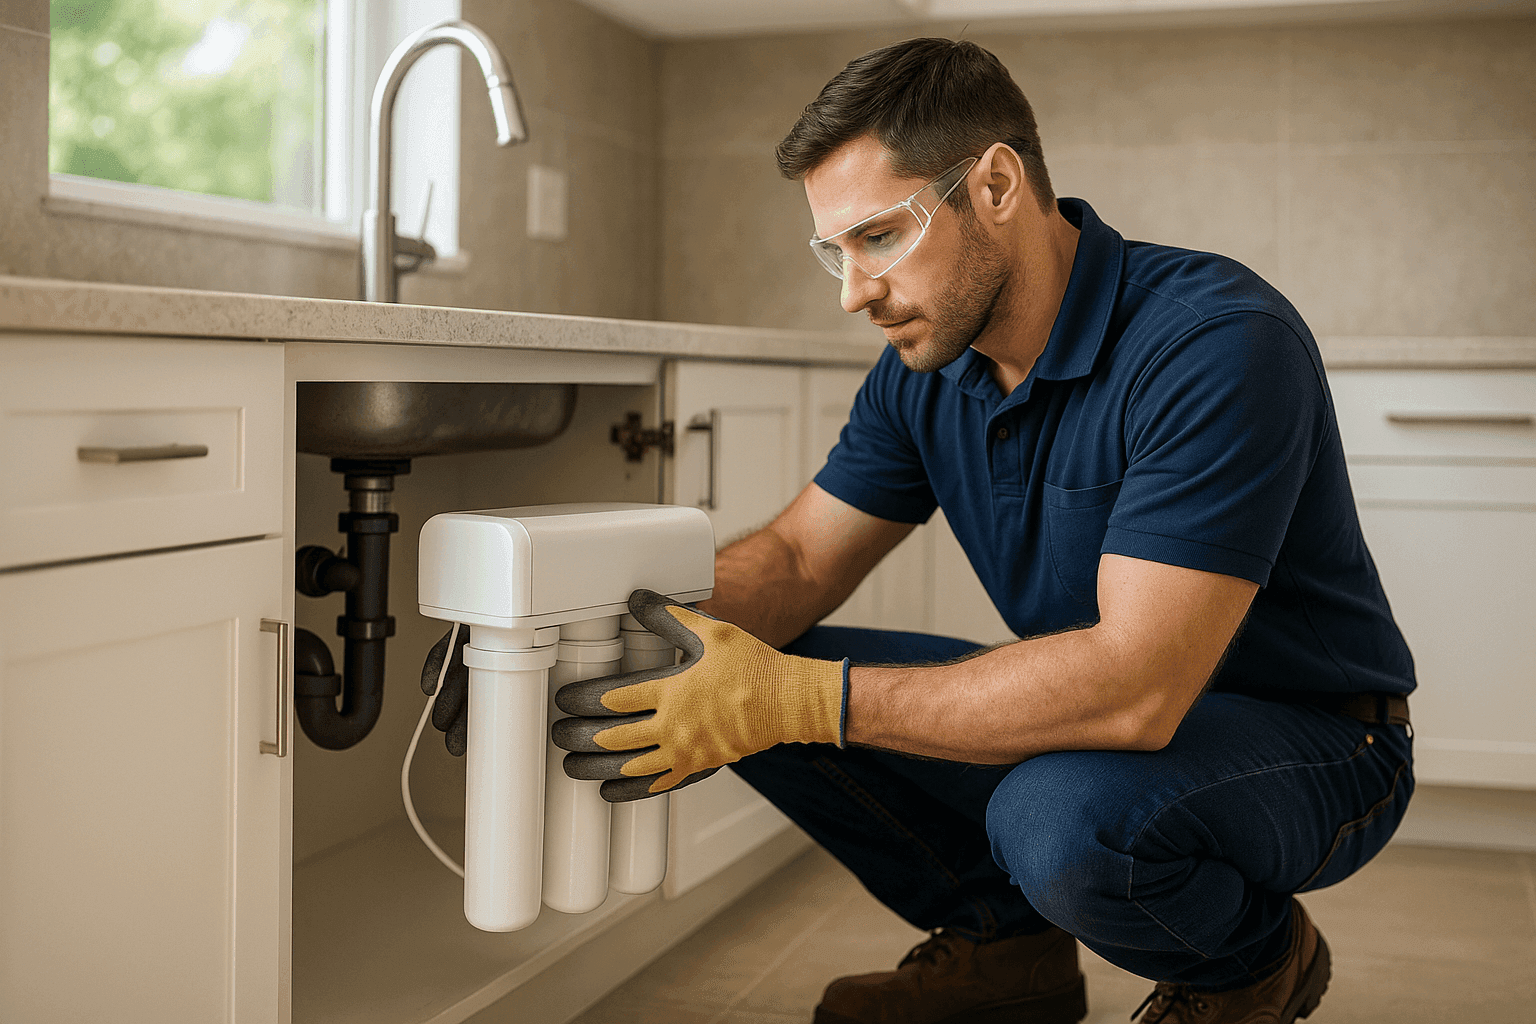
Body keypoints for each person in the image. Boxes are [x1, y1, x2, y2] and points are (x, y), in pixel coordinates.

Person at [432, 36, 1417, 1024]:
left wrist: (787, 698)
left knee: (1050, 816)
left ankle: (1251, 960)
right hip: (1110, 721)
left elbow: (1138, 688)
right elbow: (797, 559)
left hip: (1318, 743)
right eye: (834, 250)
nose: (852, 291)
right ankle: (1007, 951)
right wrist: (597, 631)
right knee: (737, 655)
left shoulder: (1211, 344)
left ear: (995, 184)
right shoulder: (924, 375)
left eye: (879, 238)